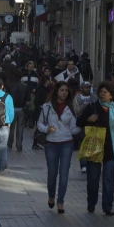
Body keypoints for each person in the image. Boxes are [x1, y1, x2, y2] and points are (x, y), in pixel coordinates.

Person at [76, 82, 114, 216]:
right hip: (95, 147)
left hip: (111, 148)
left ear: (111, 94)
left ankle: (107, 206)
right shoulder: (92, 106)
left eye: (105, 92)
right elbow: (79, 122)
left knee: (108, 179)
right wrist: (89, 119)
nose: (102, 94)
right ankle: (91, 203)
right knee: (93, 179)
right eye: (101, 91)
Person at [37, 81, 80, 214]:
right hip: (51, 143)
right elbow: (39, 123)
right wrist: (46, 128)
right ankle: (51, 195)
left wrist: (82, 126)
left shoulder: (70, 108)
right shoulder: (47, 107)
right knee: (52, 173)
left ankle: (60, 201)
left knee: (64, 174)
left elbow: (73, 128)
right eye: (62, 90)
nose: (64, 93)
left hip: (66, 143)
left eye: (66, 90)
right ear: (56, 92)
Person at [72, 81, 98, 173]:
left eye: (88, 87)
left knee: (92, 144)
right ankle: (83, 164)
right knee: (82, 144)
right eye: (85, 87)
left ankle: (91, 163)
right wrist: (85, 105)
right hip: (82, 125)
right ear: (81, 88)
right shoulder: (77, 98)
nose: (87, 89)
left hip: (93, 125)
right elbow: (76, 111)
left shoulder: (94, 97)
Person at [6, 69, 30, 151]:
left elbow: (7, 99)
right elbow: (28, 100)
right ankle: (19, 145)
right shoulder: (25, 86)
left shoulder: (10, 86)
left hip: (12, 109)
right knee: (20, 128)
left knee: (11, 127)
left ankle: (9, 143)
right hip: (21, 109)